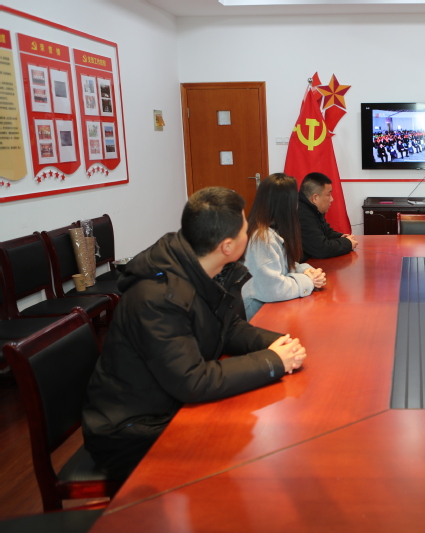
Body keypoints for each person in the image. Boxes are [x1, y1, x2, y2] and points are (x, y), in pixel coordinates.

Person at [82, 187, 307, 480]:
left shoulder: (200, 266)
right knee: (256, 453)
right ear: (227, 246)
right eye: (245, 229)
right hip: (131, 430)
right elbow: (193, 381)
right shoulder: (157, 297)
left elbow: (229, 327)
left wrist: (277, 344)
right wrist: (272, 362)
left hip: (168, 403)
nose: (249, 232)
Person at [242, 173, 326, 320]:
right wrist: (308, 281)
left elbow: (283, 266)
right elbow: (274, 289)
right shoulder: (263, 238)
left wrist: (308, 271)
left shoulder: (273, 230)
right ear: (285, 204)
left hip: (273, 306)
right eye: (295, 200)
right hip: (260, 314)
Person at [298, 172, 358, 262]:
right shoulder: (302, 214)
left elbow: (326, 232)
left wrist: (341, 237)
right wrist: (348, 243)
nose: (332, 199)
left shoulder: (311, 208)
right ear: (315, 198)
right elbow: (321, 249)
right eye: (328, 194)